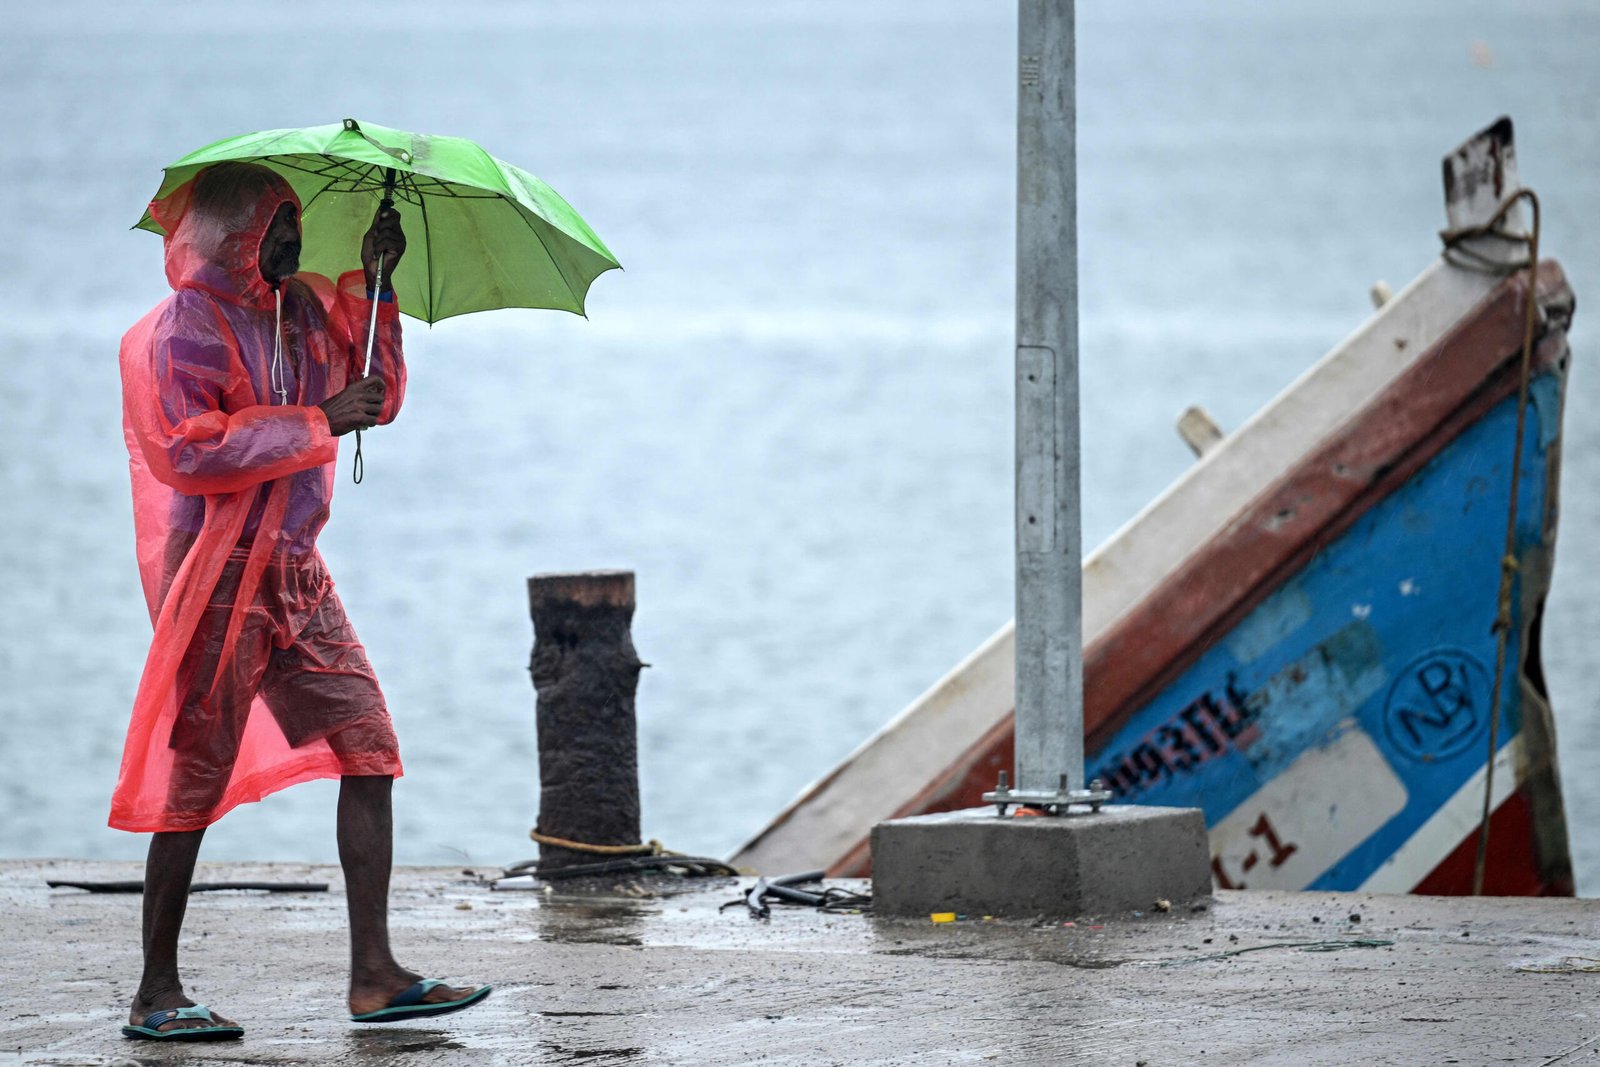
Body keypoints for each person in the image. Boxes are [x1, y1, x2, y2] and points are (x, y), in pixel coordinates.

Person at [113, 162, 487, 1041]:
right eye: (276, 227)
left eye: (290, 224)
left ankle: (374, 975)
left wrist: (382, 288)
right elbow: (189, 450)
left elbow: (376, 398)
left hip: (295, 571)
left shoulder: (303, 313)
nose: (290, 240)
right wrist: (320, 418)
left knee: (370, 745)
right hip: (216, 572)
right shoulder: (183, 329)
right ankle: (155, 991)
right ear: (233, 235)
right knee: (193, 774)